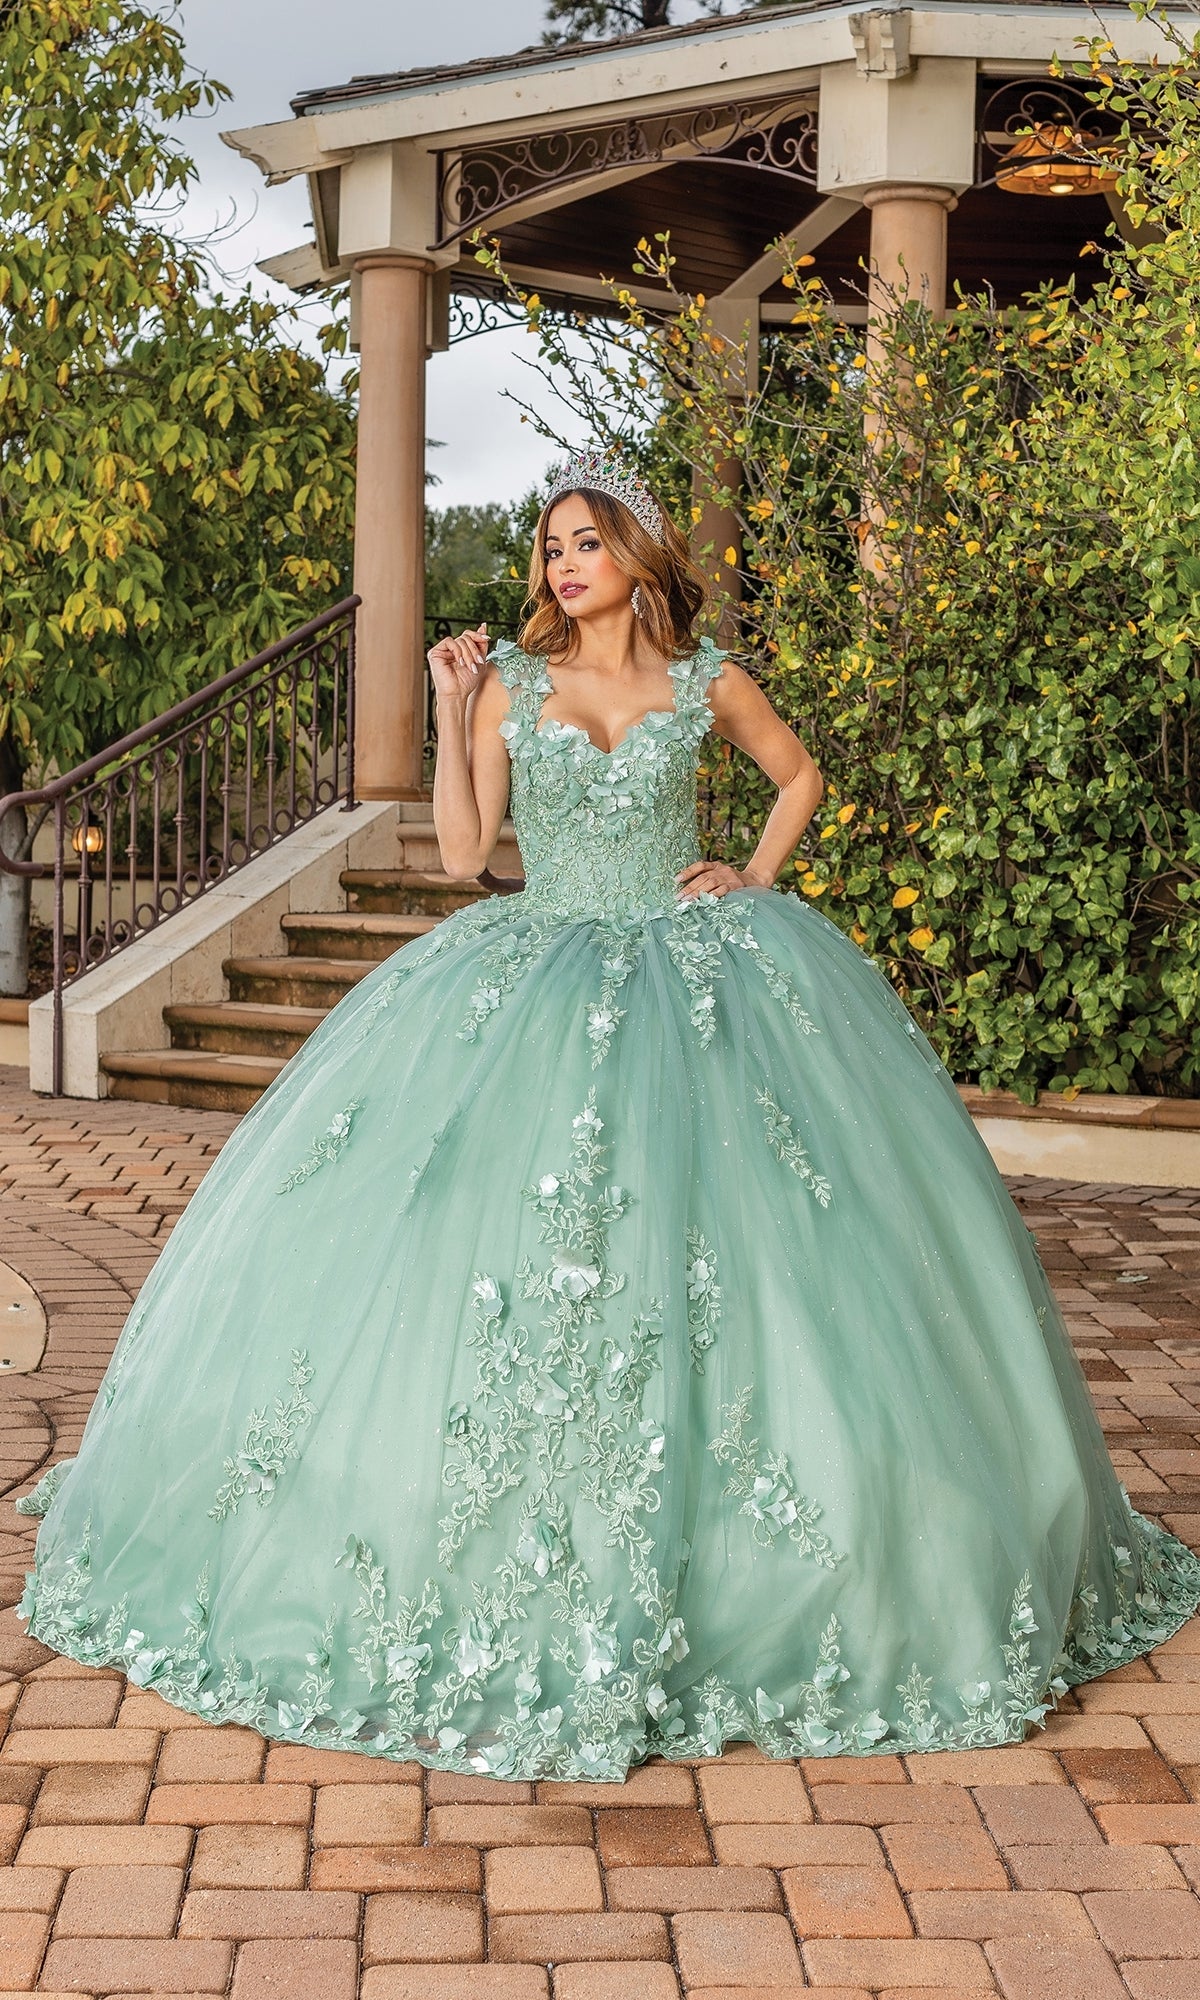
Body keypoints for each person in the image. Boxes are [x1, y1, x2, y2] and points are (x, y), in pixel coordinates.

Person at [15, 451, 1200, 1782]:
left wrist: (748, 872)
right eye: (548, 548)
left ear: (636, 556)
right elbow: (468, 858)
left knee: (752, 1253)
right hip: (540, 967)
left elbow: (799, 775)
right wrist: (454, 700)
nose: (559, 566)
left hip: (704, 979)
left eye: (582, 543)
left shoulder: (708, 683)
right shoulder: (513, 682)